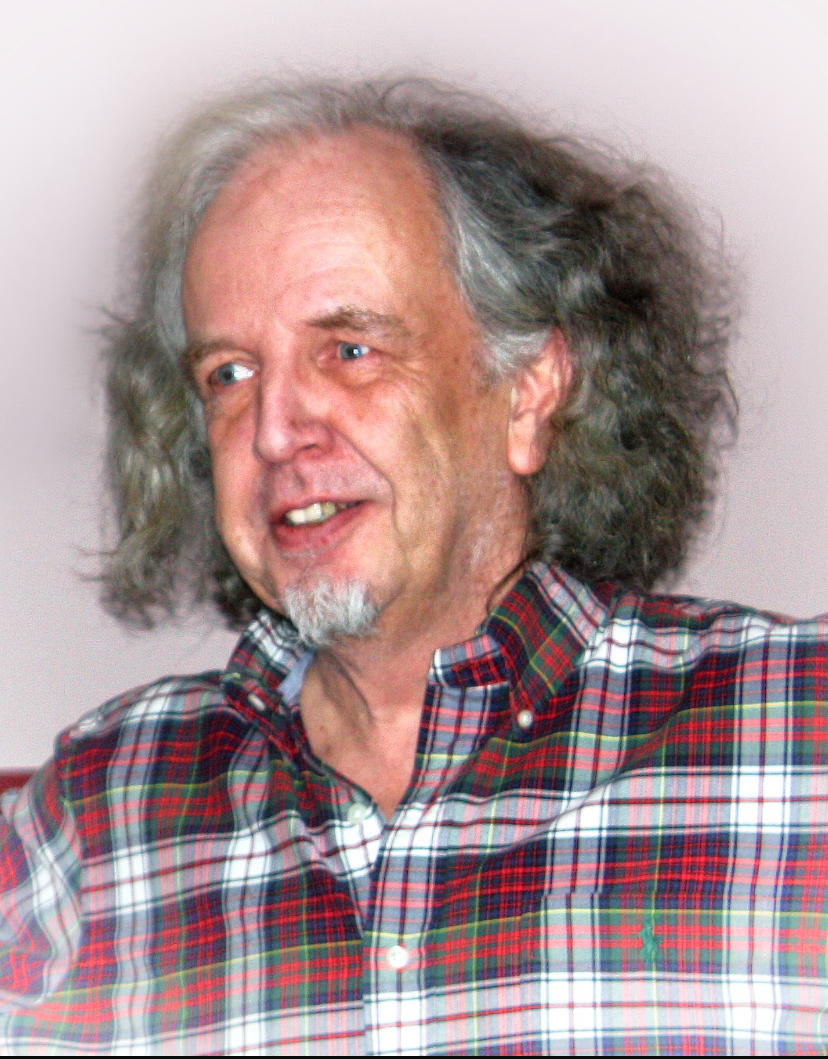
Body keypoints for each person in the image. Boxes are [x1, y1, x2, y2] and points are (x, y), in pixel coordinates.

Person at [1, 77, 826, 1055]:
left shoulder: (795, 737)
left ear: (529, 393)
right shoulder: (97, 815)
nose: (273, 431)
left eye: (350, 350)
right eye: (230, 374)